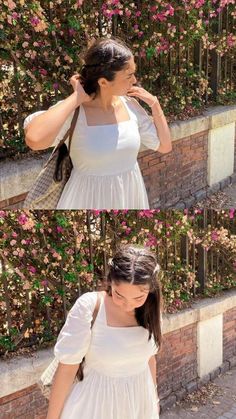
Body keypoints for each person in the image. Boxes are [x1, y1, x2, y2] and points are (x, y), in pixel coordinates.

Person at [24, 37, 172, 209]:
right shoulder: (75, 111)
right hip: (85, 200)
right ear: (103, 82)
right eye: (129, 75)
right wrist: (76, 97)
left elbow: (164, 146)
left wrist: (155, 104)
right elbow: (34, 139)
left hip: (129, 196)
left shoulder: (131, 106)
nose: (134, 80)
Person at [46, 245, 163, 419]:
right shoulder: (90, 307)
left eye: (138, 298)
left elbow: (149, 359)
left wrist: (154, 399)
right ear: (110, 282)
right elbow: (67, 369)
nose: (128, 305)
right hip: (95, 406)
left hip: (139, 404)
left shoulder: (150, 310)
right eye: (119, 295)